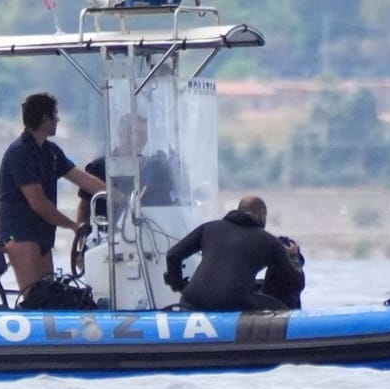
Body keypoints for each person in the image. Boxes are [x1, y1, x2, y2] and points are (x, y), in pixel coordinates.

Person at [0, 92, 105, 293]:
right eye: (55, 115)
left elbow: (83, 179)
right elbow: (38, 203)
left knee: (48, 292)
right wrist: (72, 225)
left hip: (42, 233)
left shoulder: (51, 151)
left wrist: (119, 196)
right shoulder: (20, 152)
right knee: (33, 295)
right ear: (45, 118)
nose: (58, 119)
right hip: (20, 233)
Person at [161, 194, 305, 312]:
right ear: (262, 215)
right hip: (231, 302)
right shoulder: (268, 241)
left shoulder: (209, 228)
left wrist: (179, 286)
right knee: (283, 309)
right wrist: (293, 256)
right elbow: (295, 283)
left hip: (191, 300)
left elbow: (173, 256)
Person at [76, 112, 178, 226]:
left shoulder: (155, 169)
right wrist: (81, 235)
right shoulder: (99, 167)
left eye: (144, 135)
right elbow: (84, 208)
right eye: (135, 133)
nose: (140, 139)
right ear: (121, 133)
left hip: (147, 236)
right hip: (107, 237)